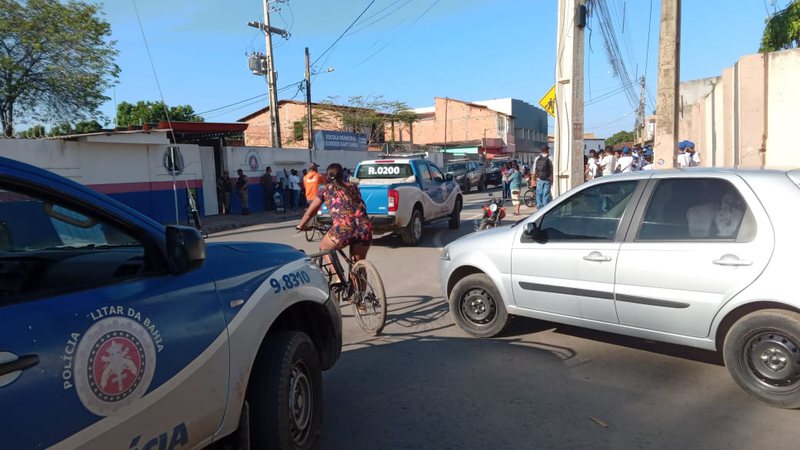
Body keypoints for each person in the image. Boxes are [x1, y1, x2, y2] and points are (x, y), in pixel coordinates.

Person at [297, 163, 373, 264]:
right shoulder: (353, 187)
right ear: (342, 175)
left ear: (327, 176)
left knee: (324, 248)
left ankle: (337, 277)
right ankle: (360, 278)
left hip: (344, 227)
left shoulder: (325, 190)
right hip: (365, 227)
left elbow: (310, 212)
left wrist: (301, 225)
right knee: (357, 267)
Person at [532, 145, 553, 209]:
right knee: (546, 194)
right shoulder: (551, 158)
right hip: (547, 179)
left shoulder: (537, 158)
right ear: (547, 150)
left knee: (539, 194)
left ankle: (539, 208)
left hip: (539, 179)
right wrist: (552, 180)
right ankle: (545, 208)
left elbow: (534, 171)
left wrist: (533, 180)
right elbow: (552, 170)